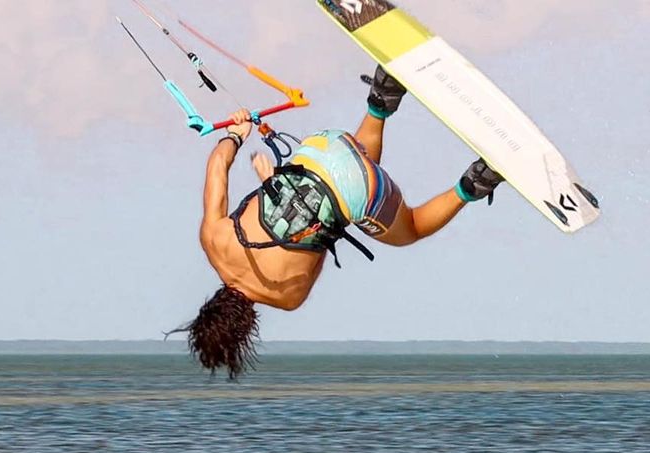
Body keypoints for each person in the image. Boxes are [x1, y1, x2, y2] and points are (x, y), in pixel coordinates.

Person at [177, 67, 504, 378]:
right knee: (358, 163)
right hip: (321, 148)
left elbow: (323, 241)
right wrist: (235, 134)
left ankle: (477, 182)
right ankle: (381, 99)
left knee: (412, 228)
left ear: (245, 328)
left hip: (357, 190)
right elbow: (217, 166)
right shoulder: (212, 241)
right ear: (209, 306)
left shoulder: (287, 299)